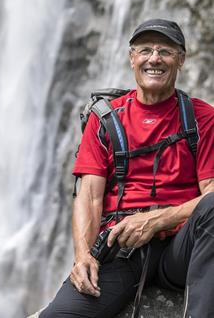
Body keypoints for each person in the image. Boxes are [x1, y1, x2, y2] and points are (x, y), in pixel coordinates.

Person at [40, 19, 214, 318]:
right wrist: (83, 256)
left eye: (166, 51)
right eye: (145, 50)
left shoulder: (202, 117)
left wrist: (157, 219)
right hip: (122, 249)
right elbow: (89, 196)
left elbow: (211, 195)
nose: (154, 58)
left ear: (181, 60)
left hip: (181, 250)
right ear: (132, 58)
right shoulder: (106, 119)